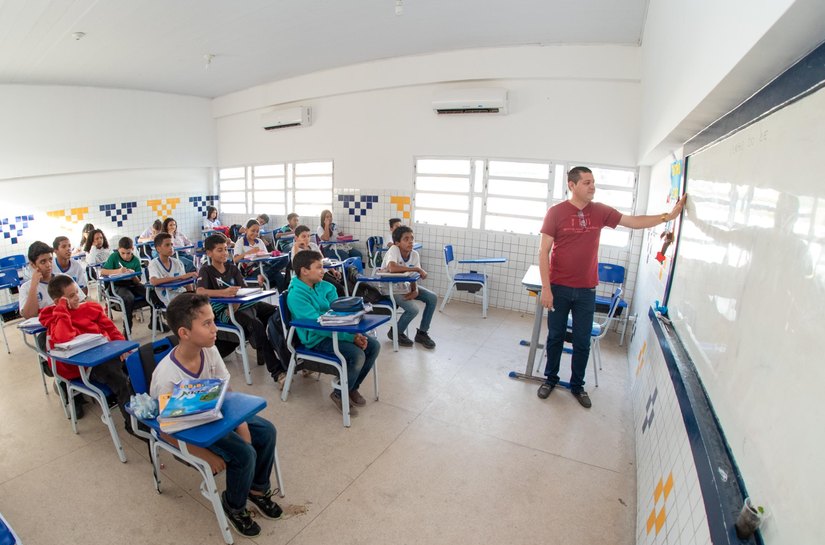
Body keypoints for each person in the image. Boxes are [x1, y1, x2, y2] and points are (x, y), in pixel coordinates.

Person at [536, 166, 686, 408]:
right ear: (572, 185)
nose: (592, 186)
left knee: (583, 341)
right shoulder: (556, 213)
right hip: (559, 287)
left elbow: (633, 222)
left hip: (586, 290)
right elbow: (543, 251)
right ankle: (550, 379)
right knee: (555, 337)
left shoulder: (600, 211)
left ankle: (577, 386)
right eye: (586, 182)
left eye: (593, 182)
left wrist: (667, 217)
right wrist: (546, 288)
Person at [149, 293, 283, 538]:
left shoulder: (209, 352)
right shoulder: (167, 377)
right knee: (244, 454)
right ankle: (233, 505)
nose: (215, 328)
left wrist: (241, 426)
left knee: (266, 432)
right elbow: (164, 431)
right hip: (189, 431)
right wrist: (204, 455)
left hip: (215, 415)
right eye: (207, 323)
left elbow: (227, 393)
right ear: (184, 332)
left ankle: (257, 489)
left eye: (213, 320)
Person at [287, 250, 380, 415]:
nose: (323, 270)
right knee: (357, 355)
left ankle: (350, 388)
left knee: (373, 346)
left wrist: (355, 334)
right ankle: (339, 393)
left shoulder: (326, 286)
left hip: (337, 331)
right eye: (319, 267)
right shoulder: (296, 295)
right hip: (315, 338)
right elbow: (318, 324)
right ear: (304, 271)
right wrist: (351, 337)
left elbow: (339, 314)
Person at [39, 275, 133, 430]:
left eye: (76, 292)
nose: (77, 297)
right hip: (87, 366)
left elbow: (111, 329)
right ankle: (133, 424)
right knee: (121, 381)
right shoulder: (55, 319)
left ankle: (144, 410)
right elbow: (63, 339)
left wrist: (122, 348)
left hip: (106, 353)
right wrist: (62, 309)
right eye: (71, 296)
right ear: (58, 301)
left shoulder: (90, 309)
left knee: (137, 367)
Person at [197, 234, 280, 373]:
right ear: (209, 253)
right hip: (225, 310)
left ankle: (261, 344)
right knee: (255, 323)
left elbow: (243, 288)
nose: (224, 253)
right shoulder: (206, 270)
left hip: (242, 304)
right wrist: (225, 293)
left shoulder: (232, 268)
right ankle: (276, 369)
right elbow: (200, 291)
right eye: (219, 250)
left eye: (225, 249)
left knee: (275, 311)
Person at [19, 240, 87, 385]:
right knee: (56, 351)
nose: (49, 265)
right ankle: (67, 386)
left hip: (71, 323)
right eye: (43, 262)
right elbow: (29, 315)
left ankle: (85, 377)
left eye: (50, 260)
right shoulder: (26, 288)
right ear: (33, 265)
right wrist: (34, 285)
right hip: (47, 332)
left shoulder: (64, 279)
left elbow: (80, 301)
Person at [380, 226, 437, 349]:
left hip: (404, 287)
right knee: (413, 310)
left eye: (412, 238)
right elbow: (392, 268)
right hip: (389, 288)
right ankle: (396, 333)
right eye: (406, 239)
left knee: (432, 298)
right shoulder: (394, 249)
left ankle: (422, 333)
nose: (410, 241)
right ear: (397, 243)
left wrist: (415, 289)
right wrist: (417, 268)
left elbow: (414, 276)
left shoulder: (414, 254)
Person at [100, 236, 146, 336]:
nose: (125, 256)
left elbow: (138, 282)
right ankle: (127, 328)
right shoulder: (114, 256)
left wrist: (133, 275)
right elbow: (103, 271)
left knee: (150, 293)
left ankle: (155, 322)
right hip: (116, 285)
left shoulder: (136, 260)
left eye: (128, 253)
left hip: (132, 284)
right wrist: (118, 271)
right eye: (123, 253)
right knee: (128, 298)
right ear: (118, 250)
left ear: (132, 250)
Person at [233, 219, 287, 291]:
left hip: (265, 265)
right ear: (246, 230)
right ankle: (284, 301)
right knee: (278, 276)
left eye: (257, 231)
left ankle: (263, 275)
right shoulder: (240, 242)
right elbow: (235, 259)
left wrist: (272, 254)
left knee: (285, 258)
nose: (255, 233)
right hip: (252, 270)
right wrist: (250, 252)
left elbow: (266, 256)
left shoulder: (259, 241)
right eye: (253, 230)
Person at [292, 225, 346, 295]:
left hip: (323, 272)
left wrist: (333, 271)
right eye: (303, 236)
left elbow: (323, 260)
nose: (307, 239)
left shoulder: (313, 245)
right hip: (313, 276)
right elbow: (296, 265)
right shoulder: (295, 249)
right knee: (338, 288)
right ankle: (340, 305)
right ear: (296, 238)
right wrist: (301, 247)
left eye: (308, 236)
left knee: (345, 279)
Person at [148, 232, 197, 308]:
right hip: (168, 297)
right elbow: (154, 281)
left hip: (181, 294)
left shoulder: (177, 262)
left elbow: (186, 283)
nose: (171, 247)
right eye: (167, 245)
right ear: (158, 249)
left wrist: (190, 293)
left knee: (200, 300)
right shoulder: (153, 264)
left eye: (171, 245)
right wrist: (179, 277)